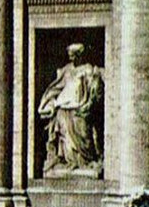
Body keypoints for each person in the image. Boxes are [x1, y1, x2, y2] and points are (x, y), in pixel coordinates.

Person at [37, 43, 105, 175]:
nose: (71, 58)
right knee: (64, 135)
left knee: (83, 132)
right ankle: (69, 162)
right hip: (63, 108)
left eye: (73, 55)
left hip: (80, 109)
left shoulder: (88, 69)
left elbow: (94, 91)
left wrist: (89, 104)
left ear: (79, 55)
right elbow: (55, 88)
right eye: (69, 55)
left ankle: (85, 162)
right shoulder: (66, 70)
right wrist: (49, 103)